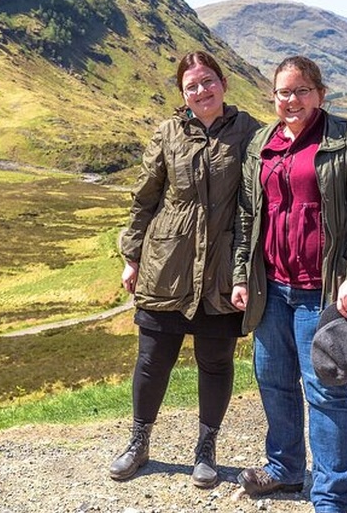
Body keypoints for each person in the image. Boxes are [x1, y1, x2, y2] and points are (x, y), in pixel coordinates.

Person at [231, 55, 347, 512]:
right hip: (272, 288)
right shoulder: (262, 143)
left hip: (323, 291)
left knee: (326, 389)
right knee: (274, 380)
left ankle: (330, 496)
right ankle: (284, 469)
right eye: (284, 92)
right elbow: (248, 215)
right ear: (273, 96)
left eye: (302, 90)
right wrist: (242, 274)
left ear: (320, 94)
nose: (293, 99)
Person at [110, 51, 261, 488]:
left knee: (214, 362)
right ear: (183, 93)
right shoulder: (168, 132)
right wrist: (132, 255)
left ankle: (206, 449)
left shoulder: (250, 131)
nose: (201, 91)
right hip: (167, 263)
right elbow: (144, 199)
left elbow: (297, 139)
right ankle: (138, 442)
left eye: (208, 81)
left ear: (223, 83)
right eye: (192, 86)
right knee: (152, 360)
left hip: (222, 267)